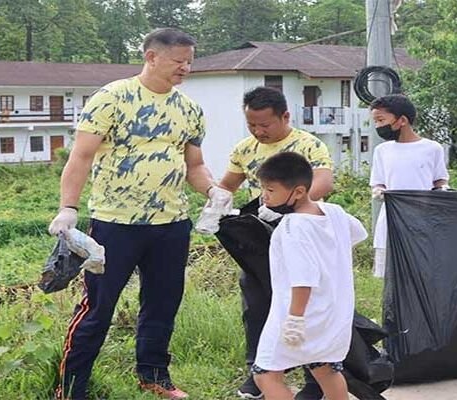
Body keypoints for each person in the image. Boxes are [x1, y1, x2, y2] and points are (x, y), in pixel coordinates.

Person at [48, 28, 216, 400]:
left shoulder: (189, 109)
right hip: (115, 224)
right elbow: (81, 156)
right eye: (178, 61)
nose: (185, 68)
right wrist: (68, 208)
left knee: (162, 302)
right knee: (97, 307)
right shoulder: (112, 98)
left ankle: (154, 376)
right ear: (152, 57)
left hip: (171, 223)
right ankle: (71, 388)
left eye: (190, 61)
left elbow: (195, 165)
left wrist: (214, 191)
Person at [203, 87, 334, 399]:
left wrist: (290, 206)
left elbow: (324, 182)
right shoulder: (244, 149)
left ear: (285, 117)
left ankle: (314, 381)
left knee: (305, 307)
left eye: (265, 125)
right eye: (252, 125)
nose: (258, 131)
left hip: (302, 235)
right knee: (257, 304)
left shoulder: (308, 144)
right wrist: (215, 203)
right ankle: (259, 372)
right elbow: (228, 185)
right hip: (262, 240)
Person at [250, 151, 367, 400]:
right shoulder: (333, 211)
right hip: (334, 312)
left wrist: (295, 319)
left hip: (300, 313)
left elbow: (303, 278)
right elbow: (357, 233)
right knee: (324, 367)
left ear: (299, 191)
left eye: (270, 190)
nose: (264, 196)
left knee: (266, 375)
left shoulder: (293, 227)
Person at [369, 94, 449, 277]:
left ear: (402, 120)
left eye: (381, 120)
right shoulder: (382, 151)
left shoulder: (432, 148)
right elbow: (378, 183)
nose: (378, 126)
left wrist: (442, 191)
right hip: (390, 223)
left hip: (422, 222)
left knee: (421, 273)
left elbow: (439, 180)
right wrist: (379, 192)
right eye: (375, 121)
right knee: (391, 276)